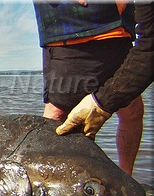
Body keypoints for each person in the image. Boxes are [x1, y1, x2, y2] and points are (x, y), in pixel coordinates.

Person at [33, 0, 145, 176]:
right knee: (57, 118)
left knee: (132, 111)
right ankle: (44, 182)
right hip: (72, 31)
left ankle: (125, 179)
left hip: (120, 31)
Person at [56, 2, 153, 144]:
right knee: (57, 113)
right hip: (64, 33)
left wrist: (101, 104)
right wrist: (101, 103)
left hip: (117, 33)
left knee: (132, 110)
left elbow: (149, 48)